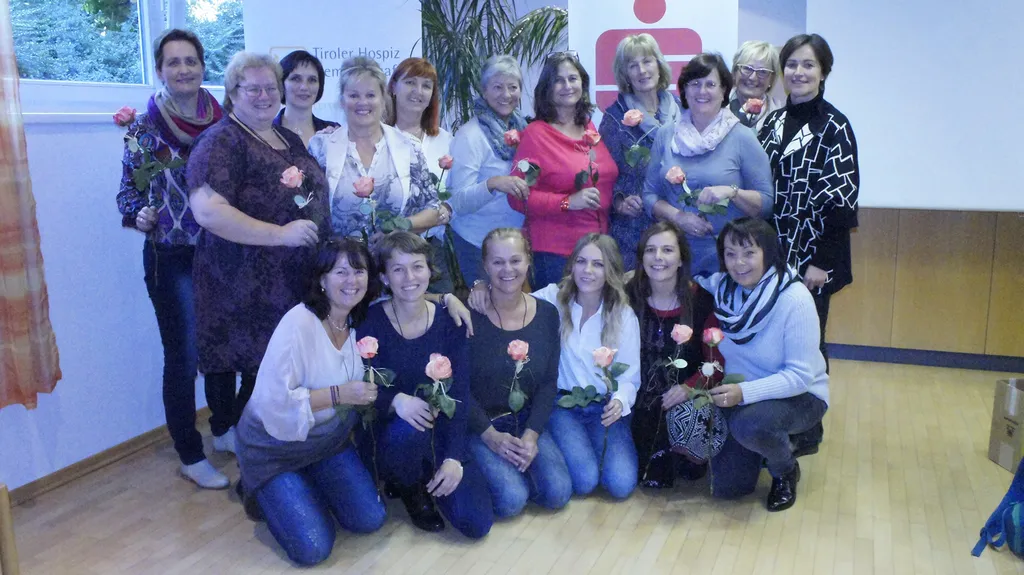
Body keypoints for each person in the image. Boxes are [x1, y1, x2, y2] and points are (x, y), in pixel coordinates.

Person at [187, 52, 329, 451]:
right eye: (254, 88)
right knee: (235, 355)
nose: (265, 95)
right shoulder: (220, 141)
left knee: (273, 356)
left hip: (286, 277)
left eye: (271, 87)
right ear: (233, 93)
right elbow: (208, 212)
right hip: (236, 276)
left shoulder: (286, 136)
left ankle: (258, 426)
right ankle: (227, 431)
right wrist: (280, 234)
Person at [115, 29, 228, 489]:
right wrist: (137, 214)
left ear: (203, 66)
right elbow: (127, 193)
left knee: (222, 347)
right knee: (184, 356)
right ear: (160, 70)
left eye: (191, 61)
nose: (183, 69)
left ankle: (224, 428)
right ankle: (189, 452)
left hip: (221, 250)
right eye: (173, 62)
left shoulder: (225, 121)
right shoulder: (144, 128)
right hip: (171, 255)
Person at [235, 239, 386, 566]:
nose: (351, 280)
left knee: (369, 519)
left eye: (358, 271)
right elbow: (275, 403)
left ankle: (303, 485)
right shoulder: (299, 322)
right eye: (340, 272)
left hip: (326, 444)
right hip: (275, 449)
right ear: (321, 279)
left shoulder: (362, 319)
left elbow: (409, 299)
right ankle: (263, 486)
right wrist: (339, 394)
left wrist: (448, 298)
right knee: (314, 548)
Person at [470, 233, 640, 499]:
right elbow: (509, 291)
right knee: (584, 482)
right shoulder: (552, 299)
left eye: (598, 264)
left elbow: (630, 375)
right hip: (563, 407)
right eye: (581, 261)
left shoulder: (623, 314)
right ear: (571, 265)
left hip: (606, 407)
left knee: (620, 484)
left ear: (610, 269)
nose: (588, 270)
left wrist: (619, 400)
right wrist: (480, 285)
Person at [359, 232, 493, 538]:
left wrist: (453, 457)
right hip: (393, 432)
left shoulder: (450, 320)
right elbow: (357, 384)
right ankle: (409, 485)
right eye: (398, 269)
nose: (409, 277)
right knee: (407, 432)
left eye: (417, 267)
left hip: (442, 430)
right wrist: (393, 400)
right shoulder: (369, 320)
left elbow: (459, 394)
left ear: (430, 271)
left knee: (476, 523)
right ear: (383, 276)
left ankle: (433, 468)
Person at [695, 217, 829, 512]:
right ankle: (762, 444)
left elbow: (799, 377)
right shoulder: (724, 289)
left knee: (749, 424)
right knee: (728, 489)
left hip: (798, 396)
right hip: (740, 395)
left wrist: (744, 393)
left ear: (768, 253)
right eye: (730, 254)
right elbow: (686, 276)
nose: (738, 263)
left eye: (749, 253)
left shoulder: (795, 299)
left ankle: (785, 469)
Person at [758, 33, 859, 374]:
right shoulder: (771, 123)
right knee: (770, 342)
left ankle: (808, 425)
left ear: (823, 72)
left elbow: (842, 202)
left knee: (808, 345)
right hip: (770, 254)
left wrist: (821, 262)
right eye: (791, 64)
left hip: (812, 257)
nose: (798, 72)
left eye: (808, 64)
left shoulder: (835, 125)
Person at [466, 228, 572, 517]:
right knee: (512, 500)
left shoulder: (547, 313)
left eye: (515, 260)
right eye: (497, 262)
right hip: (479, 425)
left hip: (524, 420)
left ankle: (511, 468)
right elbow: (457, 387)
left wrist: (531, 436)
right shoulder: (467, 314)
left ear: (528, 262)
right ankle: (471, 468)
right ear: (485, 266)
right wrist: (488, 435)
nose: (507, 269)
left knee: (558, 493)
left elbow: (548, 383)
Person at [642, 52, 775, 277]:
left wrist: (731, 192)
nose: (702, 91)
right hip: (674, 263)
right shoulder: (666, 135)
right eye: (695, 84)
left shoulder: (742, 137)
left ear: (724, 90)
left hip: (729, 264)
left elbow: (766, 204)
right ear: (684, 90)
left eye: (710, 84)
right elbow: (649, 196)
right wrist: (679, 217)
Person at [309, 57, 450, 248]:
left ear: (383, 98)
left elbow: (433, 209)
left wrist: (403, 227)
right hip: (343, 268)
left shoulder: (409, 147)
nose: (362, 102)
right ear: (342, 100)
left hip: (396, 265)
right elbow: (309, 210)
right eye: (353, 95)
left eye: (370, 95)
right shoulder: (320, 147)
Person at [508, 52, 619, 288]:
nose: (567, 86)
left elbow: (601, 180)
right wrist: (567, 202)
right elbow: (518, 197)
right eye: (559, 80)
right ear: (547, 88)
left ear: (582, 83)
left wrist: (619, 203)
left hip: (597, 249)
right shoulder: (536, 136)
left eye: (573, 78)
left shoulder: (588, 127)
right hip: (556, 254)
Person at [624, 221, 720, 488]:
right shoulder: (628, 296)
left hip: (683, 398)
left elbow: (716, 363)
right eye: (650, 250)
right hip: (639, 397)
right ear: (641, 258)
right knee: (632, 474)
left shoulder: (701, 301)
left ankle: (691, 454)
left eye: (667, 250)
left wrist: (690, 388)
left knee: (682, 465)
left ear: (680, 259)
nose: (658, 258)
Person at [598, 34, 682, 270]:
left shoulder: (683, 110)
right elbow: (603, 174)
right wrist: (619, 201)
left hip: (677, 222)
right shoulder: (614, 118)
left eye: (647, 61)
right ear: (625, 74)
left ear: (659, 65)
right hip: (632, 230)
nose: (642, 70)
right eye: (632, 66)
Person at [447, 55, 528, 285]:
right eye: (497, 87)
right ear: (484, 91)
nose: (506, 95)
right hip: (477, 244)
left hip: (513, 243)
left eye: (513, 87)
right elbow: (459, 202)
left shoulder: (524, 129)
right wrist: (493, 184)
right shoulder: (469, 135)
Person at [386, 57, 456, 292]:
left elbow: (456, 192)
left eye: (427, 86)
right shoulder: (377, 138)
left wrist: (449, 208)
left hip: (432, 249)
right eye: (410, 83)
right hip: (388, 250)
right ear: (393, 87)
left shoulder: (446, 141)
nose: (419, 91)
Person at [274, 50, 340, 147]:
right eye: (296, 79)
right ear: (281, 83)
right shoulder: (266, 133)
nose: (304, 87)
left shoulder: (334, 132)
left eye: (312, 80)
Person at [728, 41, 783, 131]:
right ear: (734, 71)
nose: (753, 78)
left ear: (772, 79)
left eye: (762, 71)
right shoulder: (717, 106)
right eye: (747, 68)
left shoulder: (779, 116)